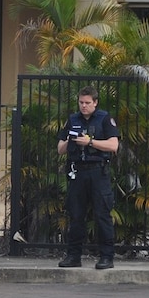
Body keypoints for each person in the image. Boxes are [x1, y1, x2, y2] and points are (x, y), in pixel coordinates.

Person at [56, 85, 120, 269]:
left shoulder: (104, 119)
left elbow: (113, 145)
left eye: (87, 103)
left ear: (95, 103)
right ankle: (73, 256)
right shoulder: (72, 120)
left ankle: (107, 257)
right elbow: (60, 149)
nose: (84, 106)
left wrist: (90, 141)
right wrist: (71, 139)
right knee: (76, 215)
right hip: (78, 172)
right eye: (81, 102)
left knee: (102, 215)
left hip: (98, 171)